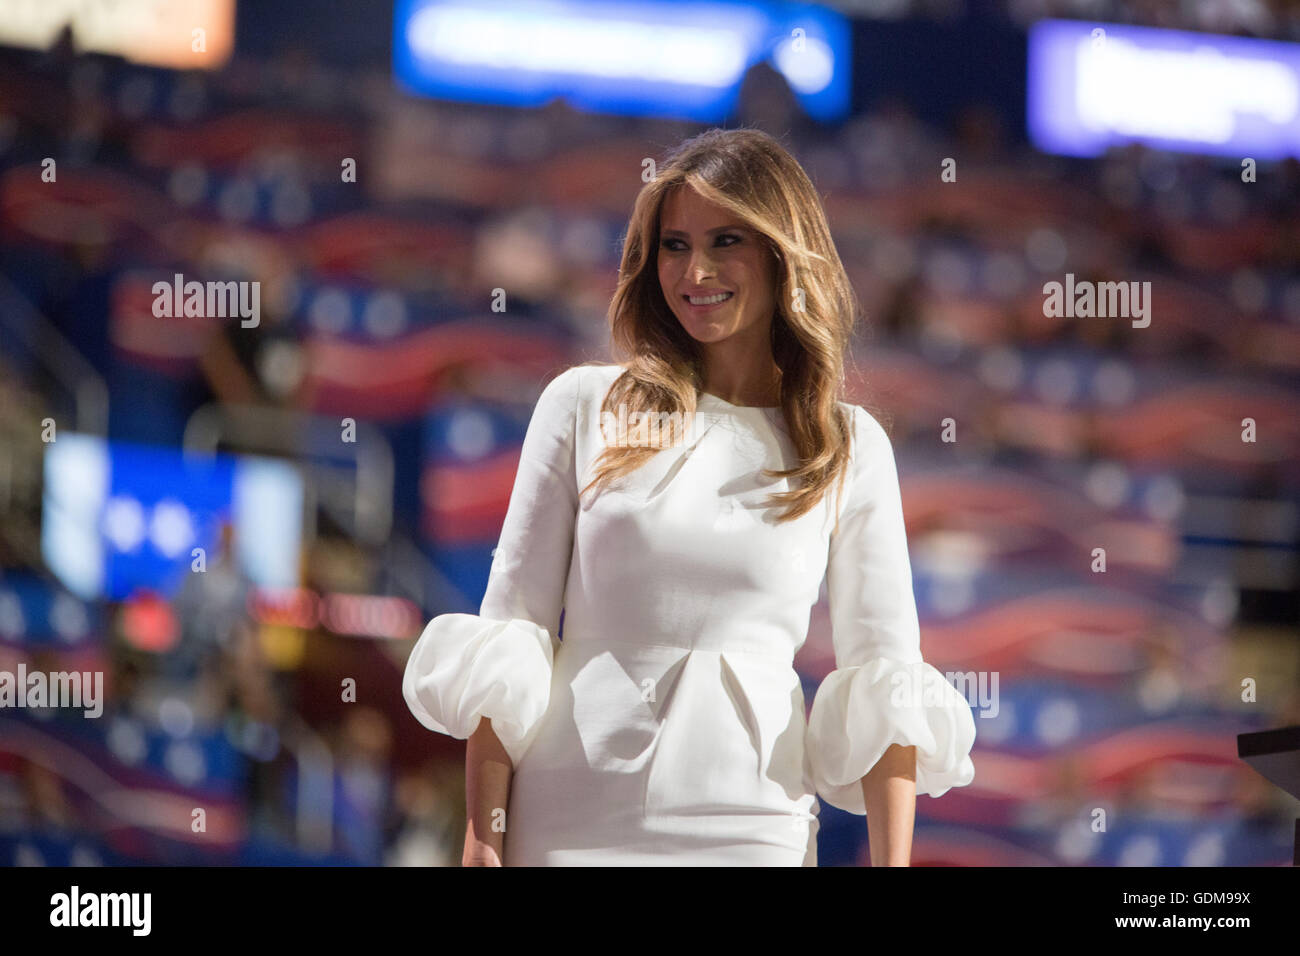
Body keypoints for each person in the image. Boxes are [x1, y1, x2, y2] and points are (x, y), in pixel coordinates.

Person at [402, 128, 976, 866]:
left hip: (753, 826)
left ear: (780, 251)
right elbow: (513, 631)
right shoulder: (581, 404)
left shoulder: (850, 446)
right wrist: (485, 837)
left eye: (724, 241)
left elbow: (885, 677)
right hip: (568, 822)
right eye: (674, 245)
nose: (695, 270)